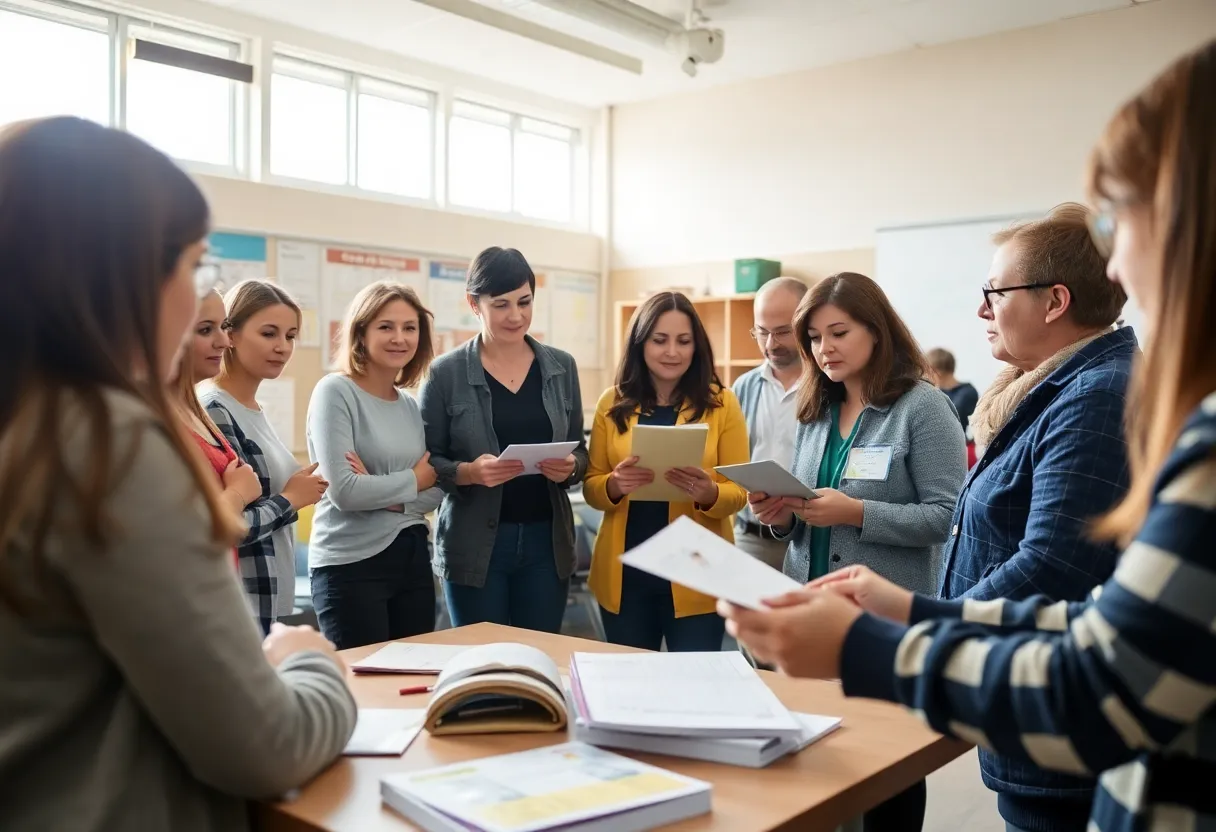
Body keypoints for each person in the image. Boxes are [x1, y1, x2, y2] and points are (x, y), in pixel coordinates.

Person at [720, 39, 1216, 832]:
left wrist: (870, 641)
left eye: (1125, 217)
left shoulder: (1102, 398)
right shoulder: (1065, 392)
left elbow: (1091, 651)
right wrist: (913, 615)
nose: (1117, 264)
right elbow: (1102, 624)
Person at [0, 116, 355, 832]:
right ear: (124, 272)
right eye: (192, 268)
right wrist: (312, 659)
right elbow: (267, 745)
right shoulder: (109, 445)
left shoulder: (29, 423)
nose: (200, 303)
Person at [932, 205, 1137, 832]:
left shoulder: (1096, 393)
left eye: (994, 292)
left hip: (1058, 715)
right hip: (1026, 696)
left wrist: (924, 630)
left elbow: (1055, 563)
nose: (982, 310)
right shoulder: (1048, 387)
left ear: (1055, 301)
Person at [747, 272, 965, 832]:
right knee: (820, 765)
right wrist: (779, 516)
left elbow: (947, 518)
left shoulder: (923, 407)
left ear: (877, 329)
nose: (825, 349)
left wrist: (857, 513)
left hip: (879, 620)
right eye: (815, 339)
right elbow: (805, 513)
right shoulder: (817, 408)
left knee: (887, 769)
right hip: (811, 615)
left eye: (838, 332)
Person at [420, 247, 587, 633]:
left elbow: (580, 451)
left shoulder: (562, 367)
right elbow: (429, 463)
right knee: (484, 664)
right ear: (473, 305)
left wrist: (570, 467)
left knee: (542, 659)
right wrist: (469, 473)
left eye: (524, 302)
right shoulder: (445, 374)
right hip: (475, 544)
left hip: (548, 543)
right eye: (501, 305)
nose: (516, 316)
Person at [583, 291, 749, 651]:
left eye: (683, 341)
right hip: (625, 575)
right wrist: (614, 484)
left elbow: (739, 492)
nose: (672, 352)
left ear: (696, 346)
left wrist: (711, 494)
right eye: (660, 340)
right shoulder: (611, 402)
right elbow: (592, 486)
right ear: (640, 343)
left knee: (694, 686)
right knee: (628, 685)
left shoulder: (722, 403)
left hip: (698, 572)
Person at [306, 282, 444, 650]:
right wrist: (412, 479)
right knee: (364, 691)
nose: (399, 338)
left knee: (411, 682)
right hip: (350, 565)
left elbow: (438, 489)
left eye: (409, 328)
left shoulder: (411, 406)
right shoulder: (335, 392)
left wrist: (388, 493)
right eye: (386, 326)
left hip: (413, 557)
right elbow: (346, 493)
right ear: (361, 332)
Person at [202, 280, 329, 634]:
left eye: (290, 336)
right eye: (269, 333)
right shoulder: (215, 411)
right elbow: (230, 524)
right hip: (240, 596)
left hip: (268, 589)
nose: (282, 347)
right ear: (232, 334)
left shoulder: (254, 409)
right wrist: (292, 498)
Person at [171, 289, 263, 565]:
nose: (223, 341)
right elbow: (187, 535)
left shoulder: (195, 410)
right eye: (205, 329)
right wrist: (238, 493)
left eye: (223, 327)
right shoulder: (153, 421)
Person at [732, 277, 809, 570]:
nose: (771, 344)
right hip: (750, 536)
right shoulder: (744, 387)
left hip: (808, 540)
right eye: (762, 332)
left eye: (782, 332)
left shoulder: (829, 388)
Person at [926, 348, 979, 466]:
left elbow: (949, 419)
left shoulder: (967, 393)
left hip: (958, 451)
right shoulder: (934, 393)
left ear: (935, 371)